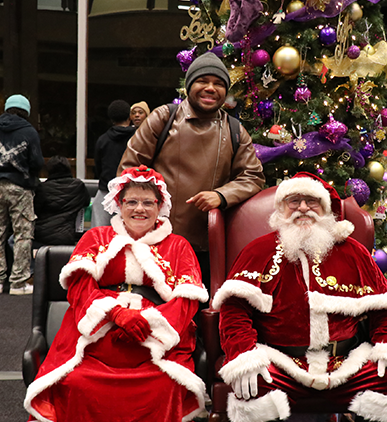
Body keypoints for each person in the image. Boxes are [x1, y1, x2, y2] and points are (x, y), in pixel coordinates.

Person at [213, 173, 387, 422]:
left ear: (326, 209)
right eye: (294, 201)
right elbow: (234, 313)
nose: (303, 208)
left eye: (312, 202)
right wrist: (244, 355)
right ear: (281, 209)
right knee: (252, 382)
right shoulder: (259, 251)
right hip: (280, 359)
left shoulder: (354, 253)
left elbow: (384, 313)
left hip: (346, 361)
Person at [18, 165, 207, 422]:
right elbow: (79, 287)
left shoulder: (178, 245)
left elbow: (187, 299)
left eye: (148, 202)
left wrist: (150, 324)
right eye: (131, 201)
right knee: (77, 383)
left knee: (163, 384)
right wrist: (114, 314)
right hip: (95, 335)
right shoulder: (96, 238)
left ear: (160, 206)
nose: (140, 209)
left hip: (155, 341)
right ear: (118, 204)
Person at [118, 52, 265, 280]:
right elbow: (129, 172)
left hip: (208, 247)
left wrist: (221, 195)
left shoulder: (235, 130)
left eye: (218, 84)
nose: (210, 88)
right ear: (189, 86)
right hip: (155, 241)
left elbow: (253, 176)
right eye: (202, 81)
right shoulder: (163, 117)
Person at [0, 94, 44, 295]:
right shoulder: (29, 131)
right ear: (26, 111)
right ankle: (18, 283)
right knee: (23, 235)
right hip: (21, 188)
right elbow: (37, 162)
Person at [92, 100, 136, 228]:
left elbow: (98, 166)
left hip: (106, 190)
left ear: (111, 119)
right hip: (132, 191)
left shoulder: (103, 140)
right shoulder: (137, 139)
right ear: (130, 116)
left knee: (100, 230)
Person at [34, 155, 90, 246]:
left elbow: (35, 210)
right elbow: (86, 202)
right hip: (67, 236)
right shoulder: (78, 186)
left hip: (42, 236)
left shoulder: (43, 188)